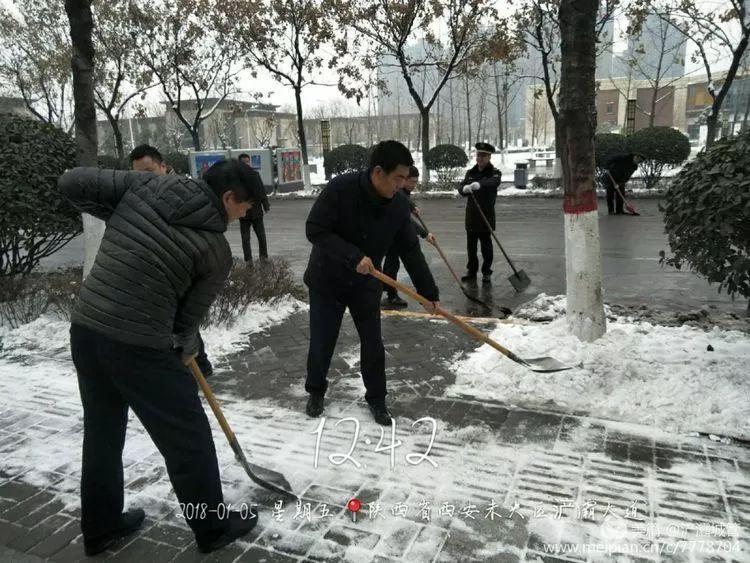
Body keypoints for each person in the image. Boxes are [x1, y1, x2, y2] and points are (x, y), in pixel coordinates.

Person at [58, 160, 265, 556]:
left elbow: (70, 181)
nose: (248, 213)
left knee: (102, 433)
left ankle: (101, 528)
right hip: (137, 346)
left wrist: (124, 213)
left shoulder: (146, 189)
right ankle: (212, 529)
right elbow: (184, 326)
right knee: (189, 438)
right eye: (247, 206)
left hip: (87, 329)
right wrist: (191, 351)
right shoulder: (215, 250)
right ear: (227, 198)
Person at [303, 141, 440, 426]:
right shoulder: (340, 189)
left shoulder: (399, 204)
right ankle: (315, 391)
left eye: (405, 178)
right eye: (398, 178)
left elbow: (410, 251)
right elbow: (315, 229)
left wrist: (428, 294)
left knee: (373, 345)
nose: (402, 185)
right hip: (327, 279)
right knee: (322, 341)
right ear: (379, 172)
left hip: (366, 284)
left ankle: (377, 399)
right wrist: (353, 256)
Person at [129, 144, 215, 377]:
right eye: (137, 174)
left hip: (179, 271)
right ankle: (194, 365)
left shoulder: (183, 192)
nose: (143, 179)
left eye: (149, 172)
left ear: (163, 167)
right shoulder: (136, 197)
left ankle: (199, 365)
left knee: (183, 323)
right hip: (150, 274)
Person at [382, 165, 437, 308]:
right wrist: (425, 234)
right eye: (412, 182)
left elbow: (404, 200)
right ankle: (390, 295)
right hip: (393, 236)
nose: (414, 185)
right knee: (391, 265)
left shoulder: (402, 192)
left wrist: (411, 206)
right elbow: (407, 221)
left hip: (394, 235)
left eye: (416, 182)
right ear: (403, 179)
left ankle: (389, 293)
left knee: (391, 264)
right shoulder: (397, 193)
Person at [458, 142, 502, 284]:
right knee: (471, 247)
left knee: (486, 247)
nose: (480, 158)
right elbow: (461, 187)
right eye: (478, 155)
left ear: (489, 157)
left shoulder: (494, 172)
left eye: (483, 155)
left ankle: (486, 272)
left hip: (486, 215)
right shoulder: (471, 173)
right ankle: (472, 271)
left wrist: (480, 185)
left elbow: (493, 183)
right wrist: (463, 189)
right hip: (472, 215)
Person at [238, 153, 271, 265]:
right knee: (245, 238)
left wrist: (265, 204)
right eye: (244, 162)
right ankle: (248, 259)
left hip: (256, 211)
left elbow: (261, 190)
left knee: (261, 236)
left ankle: (264, 256)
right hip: (243, 213)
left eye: (248, 161)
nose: (247, 164)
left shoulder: (255, 175)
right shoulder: (236, 178)